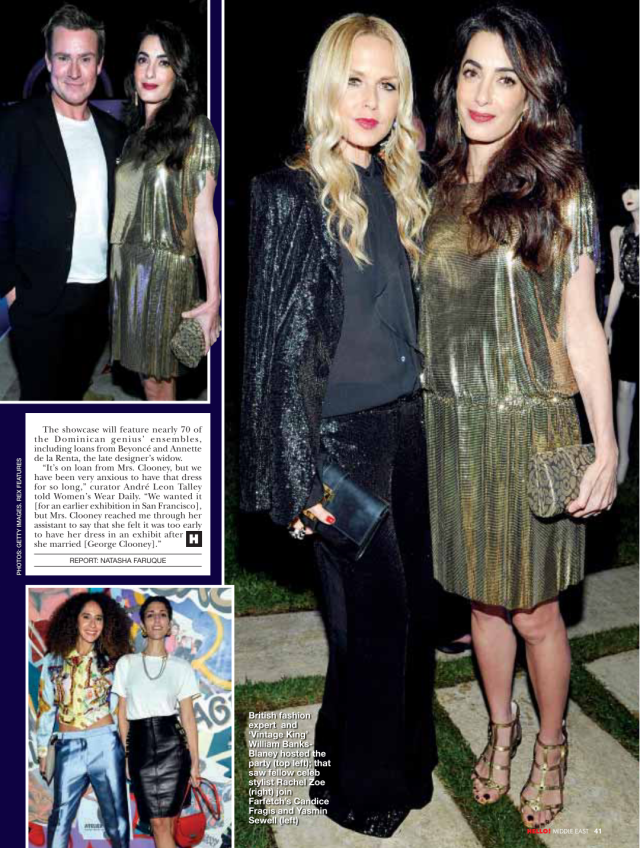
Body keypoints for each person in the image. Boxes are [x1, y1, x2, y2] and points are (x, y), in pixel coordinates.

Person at [241, 13, 468, 838]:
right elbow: (271, 352)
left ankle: (380, 759)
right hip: (336, 445)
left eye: (388, 84)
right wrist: (295, 476)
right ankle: (361, 791)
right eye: (355, 81)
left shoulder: (403, 191)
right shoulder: (287, 195)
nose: (371, 101)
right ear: (325, 88)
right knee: (375, 624)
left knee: (410, 619)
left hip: (409, 433)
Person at [420, 5, 618, 828]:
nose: (483, 93)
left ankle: (551, 743)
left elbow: (582, 326)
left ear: (531, 94)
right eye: (473, 72)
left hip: (532, 430)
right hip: (453, 432)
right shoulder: (436, 187)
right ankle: (500, 731)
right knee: (481, 605)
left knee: (535, 612)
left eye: (506, 79)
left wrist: (606, 445)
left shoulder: (559, 189)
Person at [0, 4, 127, 400]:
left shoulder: (114, 133)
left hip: (96, 300)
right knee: (39, 406)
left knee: (72, 398)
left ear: (99, 64)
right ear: (48, 61)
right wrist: (11, 290)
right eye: (63, 57)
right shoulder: (17, 124)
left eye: (85, 59)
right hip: (37, 301)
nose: (74, 71)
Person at [110, 20, 220, 402]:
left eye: (163, 62)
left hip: (164, 274)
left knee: (159, 382)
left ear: (178, 74)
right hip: (126, 271)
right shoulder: (132, 140)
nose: (150, 71)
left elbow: (204, 218)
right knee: (146, 379)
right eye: (143, 60)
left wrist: (213, 297)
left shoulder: (196, 130)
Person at [35, 592, 132, 848]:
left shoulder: (114, 661)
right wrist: (43, 750)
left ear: (106, 624)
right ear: (73, 620)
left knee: (117, 820)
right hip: (68, 746)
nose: (92, 625)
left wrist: (127, 750)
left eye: (99, 619)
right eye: (86, 617)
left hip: (105, 745)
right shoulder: (54, 660)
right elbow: (46, 707)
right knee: (60, 819)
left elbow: (123, 710)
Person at [114, 596, 201, 848]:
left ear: (170, 624)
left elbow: (188, 717)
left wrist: (195, 762)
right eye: (150, 614)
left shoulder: (182, 667)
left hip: (173, 748)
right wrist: (127, 755)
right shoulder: (126, 664)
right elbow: (122, 715)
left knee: (170, 824)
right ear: (143, 624)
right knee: (158, 824)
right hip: (140, 748)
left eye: (162, 614)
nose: (156, 620)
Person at [604, 182, 638, 484]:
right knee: (624, 389)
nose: (628, 195)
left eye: (635, 189)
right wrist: (607, 323)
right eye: (625, 189)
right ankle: (623, 456)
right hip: (628, 313)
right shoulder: (618, 233)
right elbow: (618, 282)